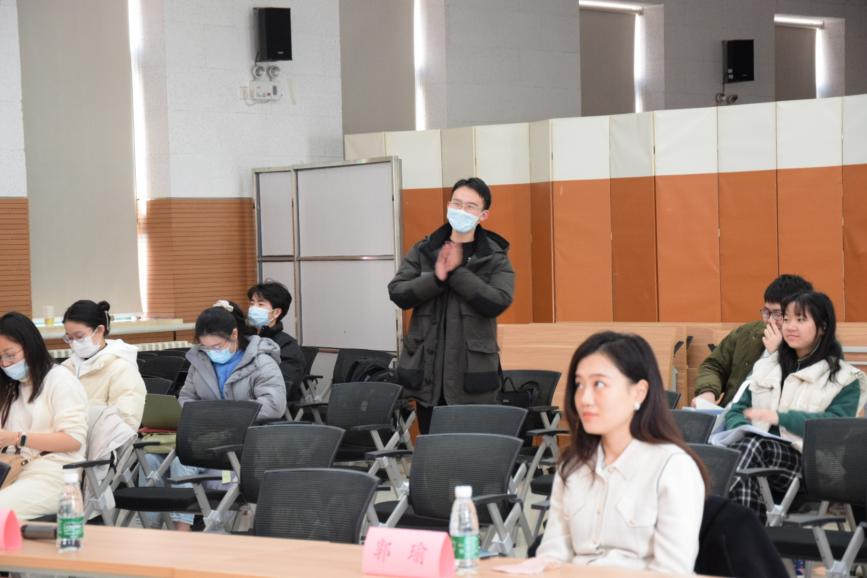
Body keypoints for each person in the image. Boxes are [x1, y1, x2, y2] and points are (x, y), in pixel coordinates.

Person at [536, 332, 707, 574]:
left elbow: (671, 571)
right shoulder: (573, 465)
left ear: (639, 392)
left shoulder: (673, 467)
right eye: (579, 385)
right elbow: (552, 554)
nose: (585, 398)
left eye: (599, 384)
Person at [724, 291, 867, 520]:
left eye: (800, 320)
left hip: (814, 466)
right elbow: (737, 409)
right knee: (735, 455)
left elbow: (835, 427)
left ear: (822, 327)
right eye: (787, 319)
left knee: (749, 451)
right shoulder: (766, 366)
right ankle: (747, 533)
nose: (790, 326)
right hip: (755, 455)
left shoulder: (844, 378)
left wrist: (781, 418)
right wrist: (741, 426)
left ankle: (724, 527)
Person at [388, 177, 514, 434]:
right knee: (434, 450)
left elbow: (497, 301)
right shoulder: (424, 249)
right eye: (456, 203)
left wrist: (456, 274)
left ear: (483, 215)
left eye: (470, 206)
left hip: (472, 380)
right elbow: (398, 292)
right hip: (427, 377)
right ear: (448, 206)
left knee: (470, 452)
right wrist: (435, 279)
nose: (461, 210)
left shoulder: (494, 257)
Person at [162, 299, 287, 530]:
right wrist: (202, 420)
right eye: (206, 347)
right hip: (208, 437)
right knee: (158, 461)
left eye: (217, 346)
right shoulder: (200, 362)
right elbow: (186, 398)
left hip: (246, 440)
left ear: (234, 335)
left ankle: (182, 532)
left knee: (185, 464)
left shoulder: (261, 362)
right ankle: (164, 530)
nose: (212, 352)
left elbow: (273, 405)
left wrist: (225, 418)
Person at [0, 312, 88, 520]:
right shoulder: (12, 386)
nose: (5, 364)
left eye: (10, 355)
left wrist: (16, 438)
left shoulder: (60, 380)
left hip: (52, 475)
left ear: (30, 347)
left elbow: (73, 440)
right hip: (12, 469)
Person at [693, 274, 813, 407]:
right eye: (767, 312)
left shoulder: (810, 349)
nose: (770, 321)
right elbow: (714, 365)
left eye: (778, 314)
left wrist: (777, 354)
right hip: (729, 412)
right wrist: (707, 392)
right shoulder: (747, 333)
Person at [61, 300, 146, 430]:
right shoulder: (67, 368)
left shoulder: (122, 369)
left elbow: (125, 424)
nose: (74, 343)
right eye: (69, 338)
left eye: (79, 336)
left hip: (101, 441)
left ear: (99, 330)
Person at [246, 281, 304, 401]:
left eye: (260, 304)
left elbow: (284, 386)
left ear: (276, 312)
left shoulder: (287, 345)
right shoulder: (245, 338)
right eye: (252, 303)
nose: (253, 308)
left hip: (267, 403)